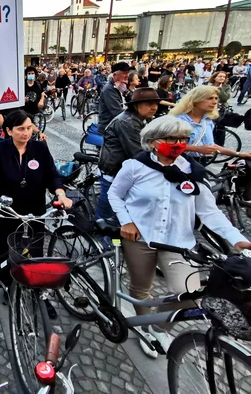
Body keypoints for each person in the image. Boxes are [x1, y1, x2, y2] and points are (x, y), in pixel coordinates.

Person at [108, 115, 251, 358]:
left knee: (189, 294)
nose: (178, 144)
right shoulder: (134, 167)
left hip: (178, 243)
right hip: (140, 240)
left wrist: (236, 238)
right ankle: (144, 330)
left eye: (183, 139)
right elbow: (115, 195)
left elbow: (210, 213)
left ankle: (158, 326)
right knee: (141, 289)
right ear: (153, 141)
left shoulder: (194, 173)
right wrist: (127, 221)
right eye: (171, 138)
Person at [0, 110, 72, 312]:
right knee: (6, 245)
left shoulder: (39, 148)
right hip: (8, 209)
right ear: (9, 131)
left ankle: (37, 288)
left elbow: (52, 175)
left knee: (36, 248)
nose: (26, 133)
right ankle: (7, 283)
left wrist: (60, 194)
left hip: (35, 206)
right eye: (20, 129)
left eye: (29, 128)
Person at [96, 88, 161, 220]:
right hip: (114, 172)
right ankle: (100, 238)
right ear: (136, 105)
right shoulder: (127, 122)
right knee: (107, 218)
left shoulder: (141, 119)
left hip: (124, 171)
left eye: (156, 104)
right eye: (149, 104)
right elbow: (138, 151)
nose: (154, 107)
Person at [171, 86, 251, 162]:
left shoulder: (208, 121)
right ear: (196, 100)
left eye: (216, 98)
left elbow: (211, 146)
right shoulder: (178, 120)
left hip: (201, 164)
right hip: (180, 163)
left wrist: (238, 154)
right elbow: (168, 146)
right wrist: (197, 149)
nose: (215, 102)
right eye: (210, 98)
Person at [98, 61, 130, 132]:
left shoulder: (122, 86)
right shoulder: (109, 89)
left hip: (118, 124)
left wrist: (126, 92)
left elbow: (131, 102)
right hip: (110, 128)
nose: (127, 76)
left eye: (128, 73)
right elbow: (117, 111)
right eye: (124, 73)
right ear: (115, 75)